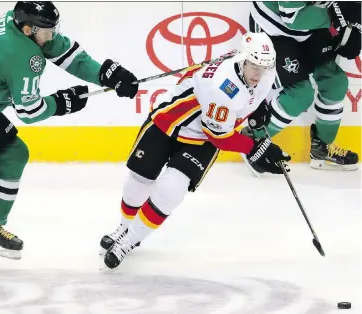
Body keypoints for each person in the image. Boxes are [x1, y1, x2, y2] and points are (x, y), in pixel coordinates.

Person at [0, 1, 139, 265]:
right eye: (47, 31)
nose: (52, 35)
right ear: (27, 30)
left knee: (14, 153)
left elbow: (68, 54)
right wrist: (63, 103)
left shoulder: (24, 26)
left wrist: (107, 74)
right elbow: (29, 111)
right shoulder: (23, 55)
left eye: (52, 28)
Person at [100, 32, 291, 269]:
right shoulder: (221, 86)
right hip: (168, 121)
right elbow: (220, 137)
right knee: (140, 178)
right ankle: (124, 225)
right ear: (242, 60)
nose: (258, 73)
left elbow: (245, 102)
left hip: (201, 139)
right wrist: (255, 148)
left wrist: (256, 109)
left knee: (171, 190)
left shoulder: (263, 71)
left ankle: (128, 240)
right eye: (253, 66)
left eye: (263, 67)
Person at [243, 1, 361, 175]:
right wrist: (335, 17)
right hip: (273, 29)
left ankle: (322, 148)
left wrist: (355, 27)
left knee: (334, 82)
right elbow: (293, 17)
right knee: (300, 94)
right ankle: (253, 140)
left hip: (310, 28)